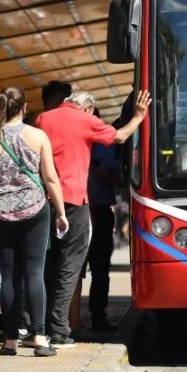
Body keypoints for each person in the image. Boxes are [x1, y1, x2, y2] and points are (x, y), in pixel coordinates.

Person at [34, 89, 150, 349]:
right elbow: (119, 136)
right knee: (70, 267)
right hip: (73, 202)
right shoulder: (86, 120)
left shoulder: (43, 119)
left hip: (44, 202)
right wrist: (139, 117)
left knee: (46, 267)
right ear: (87, 108)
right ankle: (59, 331)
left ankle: (37, 328)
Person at [0, 86, 69, 357]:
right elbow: (50, 178)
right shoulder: (37, 136)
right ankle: (39, 337)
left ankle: (10, 341)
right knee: (34, 272)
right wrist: (61, 212)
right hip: (35, 210)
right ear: (25, 108)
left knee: (9, 277)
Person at [84, 108, 122, 333]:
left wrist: (108, 174)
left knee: (100, 269)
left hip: (101, 210)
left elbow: (122, 180)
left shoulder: (108, 145)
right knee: (70, 269)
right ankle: (64, 320)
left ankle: (99, 317)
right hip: (76, 210)